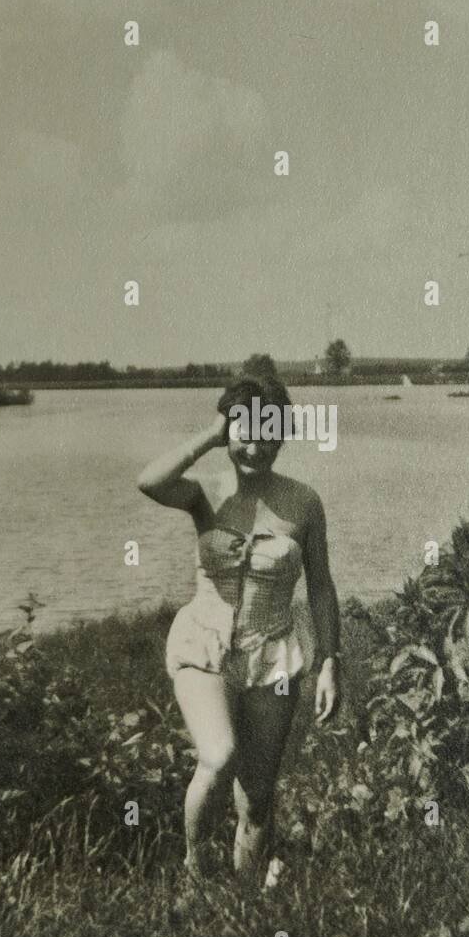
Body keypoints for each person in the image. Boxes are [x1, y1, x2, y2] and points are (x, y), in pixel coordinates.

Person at [137, 374, 340, 886]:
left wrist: (329, 661)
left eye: (268, 432)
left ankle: (244, 901)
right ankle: (195, 873)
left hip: (273, 655)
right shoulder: (205, 496)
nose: (255, 446)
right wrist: (211, 433)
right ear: (230, 431)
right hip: (205, 646)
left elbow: (320, 587)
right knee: (219, 754)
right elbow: (150, 480)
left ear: (283, 435)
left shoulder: (304, 503)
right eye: (244, 432)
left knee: (258, 794)